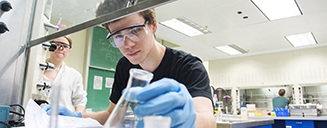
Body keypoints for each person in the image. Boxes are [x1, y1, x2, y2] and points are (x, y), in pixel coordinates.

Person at [43, 1, 216, 128]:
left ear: (153, 26)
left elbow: (208, 120)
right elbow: (112, 114)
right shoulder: (124, 66)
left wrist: (189, 120)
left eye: (135, 31)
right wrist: (77, 116)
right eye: (118, 36)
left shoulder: (188, 66)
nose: (128, 44)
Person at [42, 35, 87, 115]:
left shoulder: (74, 75)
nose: (61, 48)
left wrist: (76, 119)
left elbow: (80, 101)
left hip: (62, 122)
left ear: (69, 50)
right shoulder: (37, 70)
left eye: (65, 46)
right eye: (57, 44)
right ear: (50, 46)